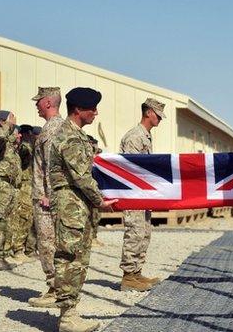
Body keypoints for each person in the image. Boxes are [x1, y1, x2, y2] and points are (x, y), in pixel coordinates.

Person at [49, 87, 118, 332]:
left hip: (78, 205)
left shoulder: (78, 135)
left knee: (79, 258)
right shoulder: (68, 136)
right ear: (78, 110)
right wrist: (100, 200)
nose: (96, 113)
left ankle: (71, 312)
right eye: (92, 109)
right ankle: (67, 317)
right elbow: (81, 177)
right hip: (70, 205)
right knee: (70, 257)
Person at [118, 98, 165, 291]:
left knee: (144, 232)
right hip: (134, 195)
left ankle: (136, 273)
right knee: (134, 233)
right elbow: (131, 168)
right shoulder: (134, 137)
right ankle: (128, 276)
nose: (160, 119)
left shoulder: (145, 136)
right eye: (158, 115)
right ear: (148, 113)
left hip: (143, 195)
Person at [29, 87, 66, 307]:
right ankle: (58, 287)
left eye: (39, 101)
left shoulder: (52, 129)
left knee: (48, 243)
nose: (36, 105)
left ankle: (55, 290)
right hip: (48, 195)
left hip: (46, 198)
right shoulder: (55, 127)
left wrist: (48, 195)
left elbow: (53, 165)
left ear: (49, 103)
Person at [0, 110, 21, 270]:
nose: (14, 121)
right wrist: (7, 126)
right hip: (1, 185)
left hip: (10, 186)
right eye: (10, 119)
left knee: (7, 222)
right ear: (2, 122)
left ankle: (4, 253)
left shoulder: (10, 142)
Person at [7, 124, 38, 264]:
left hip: (30, 185)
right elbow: (25, 150)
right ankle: (18, 249)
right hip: (23, 186)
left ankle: (26, 249)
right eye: (28, 134)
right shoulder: (24, 147)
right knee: (21, 218)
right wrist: (27, 141)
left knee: (28, 219)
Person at [88, 135, 104, 248]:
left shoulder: (96, 154)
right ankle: (90, 238)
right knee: (90, 216)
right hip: (88, 188)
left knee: (96, 216)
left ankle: (93, 237)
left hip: (96, 187)